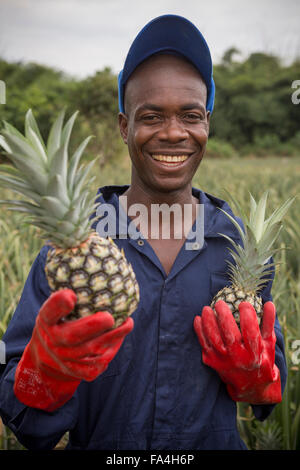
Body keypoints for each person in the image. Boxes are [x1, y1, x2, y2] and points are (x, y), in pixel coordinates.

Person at [0, 14, 286, 451]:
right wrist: (43, 378)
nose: (173, 133)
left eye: (190, 115)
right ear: (123, 126)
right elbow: (24, 421)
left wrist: (258, 379)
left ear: (206, 123)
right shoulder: (68, 255)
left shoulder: (240, 243)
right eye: (151, 116)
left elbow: (272, 389)